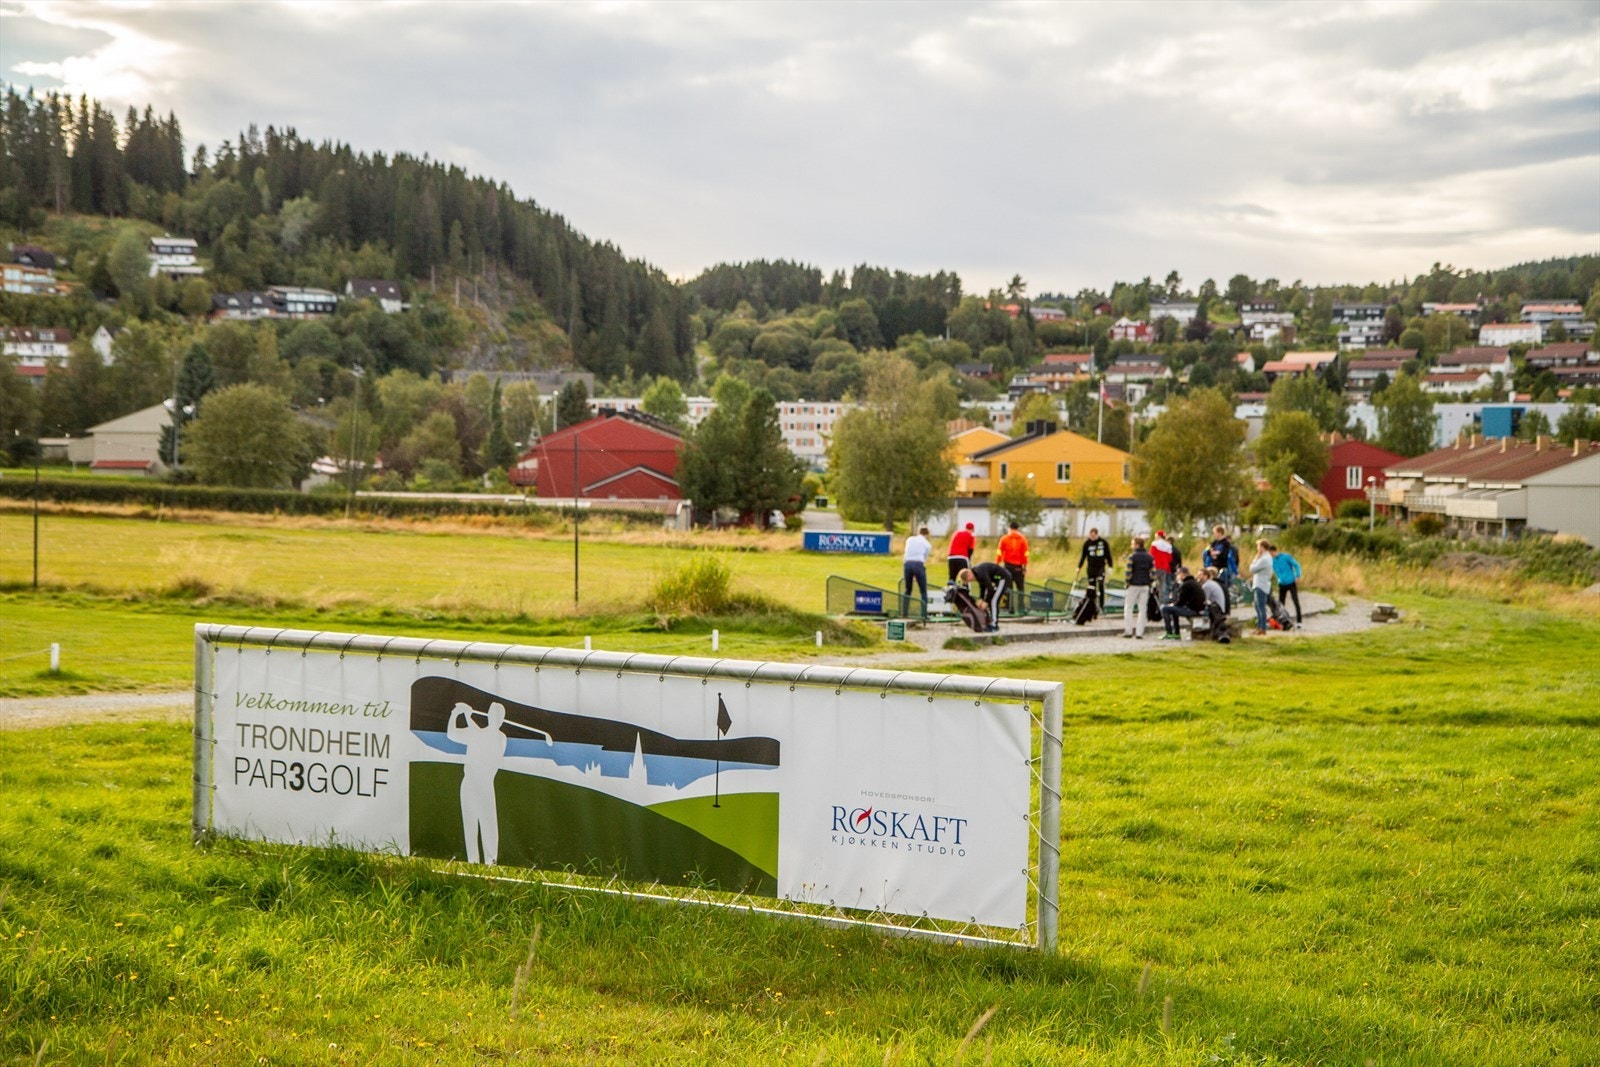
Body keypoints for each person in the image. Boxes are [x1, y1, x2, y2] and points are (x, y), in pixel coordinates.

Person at [447, 701, 508, 865]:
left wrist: (464, 714)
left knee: (489, 825)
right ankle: (472, 862)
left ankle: (491, 862)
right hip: (469, 783)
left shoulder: (501, 738)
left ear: (501, 719)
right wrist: (459, 715)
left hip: (485, 784)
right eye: (495, 715)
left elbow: (480, 736)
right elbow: (451, 734)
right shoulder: (479, 734)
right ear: (488, 717)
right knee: (470, 824)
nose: (498, 720)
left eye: (499, 716)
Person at [959, 563, 1009, 633]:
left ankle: (994, 625)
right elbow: (982, 588)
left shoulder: (980, 573)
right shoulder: (977, 574)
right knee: (991, 600)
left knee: (994, 601)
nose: (970, 581)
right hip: (996, 580)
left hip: (1002, 578)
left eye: (968, 580)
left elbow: (990, 588)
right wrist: (981, 599)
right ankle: (991, 622)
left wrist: (986, 601)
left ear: (969, 574)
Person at [1161, 566, 1207, 639]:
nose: (1177, 576)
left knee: (1165, 609)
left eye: (1178, 574)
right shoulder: (1194, 582)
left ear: (1182, 574)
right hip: (1198, 609)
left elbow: (1181, 601)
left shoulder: (1186, 585)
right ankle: (1176, 633)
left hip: (1193, 610)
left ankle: (1169, 632)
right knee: (1173, 609)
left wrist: (1173, 604)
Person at [1122, 535, 1154, 639]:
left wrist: (1127, 582)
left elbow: (1128, 572)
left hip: (1133, 584)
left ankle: (1129, 631)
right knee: (1142, 609)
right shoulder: (1150, 557)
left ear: (1137, 545)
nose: (1131, 546)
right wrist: (1149, 582)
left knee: (1129, 608)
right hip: (1145, 585)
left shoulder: (1132, 557)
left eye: (1132, 544)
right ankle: (1139, 632)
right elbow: (1153, 573)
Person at [1203, 525, 1238, 613]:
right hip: (1213, 567)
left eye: (1214, 533)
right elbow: (1207, 552)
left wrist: (1217, 554)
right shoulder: (1214, 543)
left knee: (1223, 588)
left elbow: (1224, 555)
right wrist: (1213, 553)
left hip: (1222, 567)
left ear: (1219, 533)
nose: (1213, 535)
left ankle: (1225, 609)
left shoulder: (1225, 543)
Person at [1077, 527, 1113, 611]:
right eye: (1091, 536)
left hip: (1100, 567)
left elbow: (1108, 555)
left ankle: (1101, 605)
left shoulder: (1103, 542)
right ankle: (1091, 606)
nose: (1092, 537)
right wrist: (1079, 567)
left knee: (1101, 584)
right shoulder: (1087, 543)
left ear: (1096, 535)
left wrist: (1110, 566)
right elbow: (1083, 556)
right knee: (1091, 587)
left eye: (1093, 536)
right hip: (1091, 568)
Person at [996, 522, 1029, 612]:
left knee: (1008, 588)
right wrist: (1025, 567)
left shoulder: (1004, 539)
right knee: (1020, 588)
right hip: (1018, 567)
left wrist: (997, 564)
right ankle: (1021, 608)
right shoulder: (1023, 539)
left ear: (1009, 528)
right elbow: (1025, 554)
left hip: (1007, 566)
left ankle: (1009, 608)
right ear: (1017, 529)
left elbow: (999, 552)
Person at [902, 526, 932, 618]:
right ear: (927, 534)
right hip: (918, 564)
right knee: (923, 591)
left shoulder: (910, 539)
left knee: (908, 589)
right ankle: (923, 614)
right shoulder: (927, 544)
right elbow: (924, 558)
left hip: (907, 564)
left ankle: (904, 613)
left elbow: (906, 551)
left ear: (918, 532)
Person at [1270, 543, 1304, 624]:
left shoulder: (1286, 557)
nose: (1271, 555)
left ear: (1274, 551)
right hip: (1282, 584)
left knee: (1295, 601)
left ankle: (1299, 622)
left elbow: (1296, 565)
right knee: (1281, 604)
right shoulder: (1272, 561)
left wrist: (1298, 576)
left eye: (1271, 553)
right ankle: (1283, 621)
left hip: (1291, 582)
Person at [1247, 538, 1273, 635]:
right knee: (1258, 606)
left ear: (1262, 547)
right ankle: (1259, 627)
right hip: (1260, 583)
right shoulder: (1268, 557)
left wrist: (1255, 558)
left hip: (1260, 585)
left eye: (1258, 546)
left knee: (1260, 607)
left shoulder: (1264, 559)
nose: (1257, 549)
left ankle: (1262, 628)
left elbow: (1252, 568)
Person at [1200, 566, 1230, 643]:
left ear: (1206, 575)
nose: (1198, 577)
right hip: (1222, 609)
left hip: (1217, 608)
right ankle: (1219, 634)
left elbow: (1204, 600)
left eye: (1200, 575)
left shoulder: (1207, 585)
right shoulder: (1215, 583)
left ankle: (1215, 634)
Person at [1150, 529, 1175, 604]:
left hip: (1156, 566)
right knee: (1162, 585)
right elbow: (1170, 559)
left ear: (1158, 536)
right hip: (1164, 567)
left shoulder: (1154, 544)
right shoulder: (1168, 545)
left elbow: (1151, 555)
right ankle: (1162, 601)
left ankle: (1152, 600)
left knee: (1152, 583)